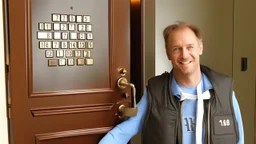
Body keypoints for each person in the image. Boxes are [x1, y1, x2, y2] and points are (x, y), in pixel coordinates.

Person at [99, 21, 244, 144]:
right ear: (168, 54)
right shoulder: (155, 93)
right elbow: (122, 133)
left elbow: (239, 139)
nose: (184, 54)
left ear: (200, 48)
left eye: (190, 47)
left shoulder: (224, 91)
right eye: (176, 49)